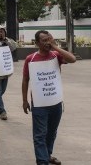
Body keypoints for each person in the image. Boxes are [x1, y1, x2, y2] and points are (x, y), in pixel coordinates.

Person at [22, 30, 76, 165]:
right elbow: (25, 80)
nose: (47, 43)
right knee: (40, 135)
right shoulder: (31, 59)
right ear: (37, 43)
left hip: (56, 102)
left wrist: (55, 46)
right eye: (44, 40)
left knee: (51, 132)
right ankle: (42, 161)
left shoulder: (56, 55)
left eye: (49, 39)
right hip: (39, 104)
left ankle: (47, 154)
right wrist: (24, 100)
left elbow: (72, 59)